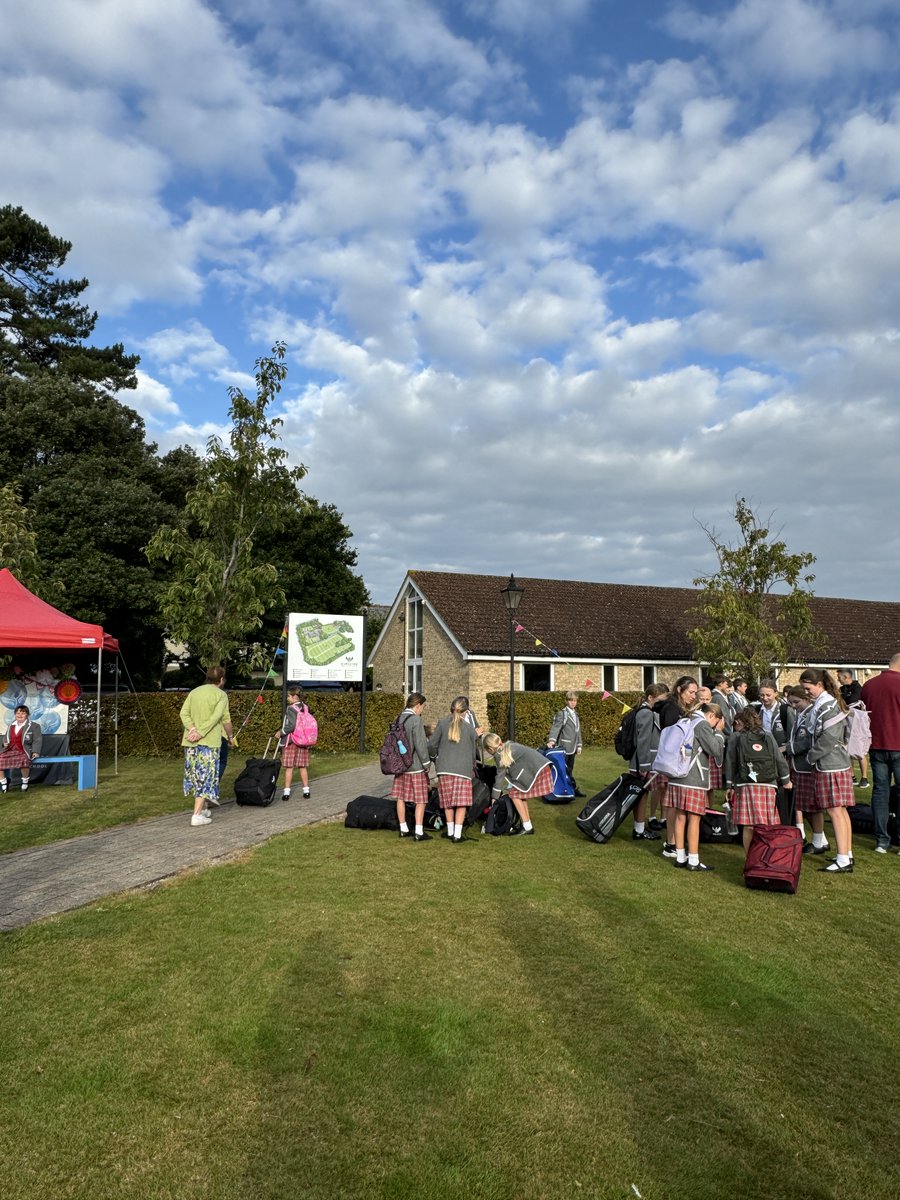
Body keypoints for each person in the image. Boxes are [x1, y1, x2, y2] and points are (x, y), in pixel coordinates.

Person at [798, 668, 855, 873]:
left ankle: (843, 859)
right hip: (833, 763)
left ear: (819, 685)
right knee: (840, 810)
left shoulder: (828, 706)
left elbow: (828, 738)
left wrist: (811, 756)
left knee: (835, 810)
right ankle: (846, 854)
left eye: (808, 688)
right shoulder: (825, 703)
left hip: (830, 765)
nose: (806, 692)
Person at [665, 702, 726, 872]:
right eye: (716, 722)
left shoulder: (686, 719)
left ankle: (680, 856)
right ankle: (693, 859)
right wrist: (719, 733)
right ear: (712, 715)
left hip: (676, 775)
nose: (715, 726)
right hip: (693, 778)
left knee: (679, 816)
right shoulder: (703, 725)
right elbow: (715, 749)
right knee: (694, 818)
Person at [724, 706, 791, 852]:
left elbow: (731, 762)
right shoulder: (767, 734)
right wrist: (786, 780)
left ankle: (751, 859)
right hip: (768, 784)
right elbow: (778, 759)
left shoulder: (736, 737)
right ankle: (767, 856)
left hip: (745, 783)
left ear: (740, 721)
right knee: (767, 824)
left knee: (748, 825)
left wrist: (729, 785)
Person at [180, 666, 234, 827]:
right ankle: (196, 815)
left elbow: (184, 713)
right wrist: (201, 732)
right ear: (222, 679)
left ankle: (202, 809)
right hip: (208, 741)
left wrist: (192, 729)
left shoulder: (194, 692)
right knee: (205, 777)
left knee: (196, 775)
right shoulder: (221, 695)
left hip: (190, 741)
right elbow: (216, 717)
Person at [653, 675, 700, 857]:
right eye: (691, 692)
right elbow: (673, 737)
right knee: (672, 804)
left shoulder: (677, 706)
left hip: (674, 760)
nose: (693, 696)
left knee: (673, 802)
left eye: (695, 692)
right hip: (673, 761)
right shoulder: (672, 708)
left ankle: (673, 842)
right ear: (680, 689)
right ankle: (671, 843)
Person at [861, 654, 900, 855]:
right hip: (898, 745)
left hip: (876, 745)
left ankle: (882, 841)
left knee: (880, 793)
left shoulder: (869, 685)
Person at [428, 696, 478, 843]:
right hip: (463, 769)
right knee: (461, 803)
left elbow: (431, 745)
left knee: (447, 801)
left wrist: (435, 758)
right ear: (466, 711)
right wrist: (472, 765)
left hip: (444, 768)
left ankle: (449, 832)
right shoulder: (470, 728)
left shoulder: (442, 723)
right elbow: (473, 751)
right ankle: (457, 834)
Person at [482, 733, 551, 836]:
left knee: (514, 795)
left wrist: (494, 798)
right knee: (519, 793)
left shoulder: (499, 755)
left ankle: (527, 827)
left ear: (490, 749)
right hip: (541, 767)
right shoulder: (507, 746)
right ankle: (527, 825)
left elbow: (499, 777)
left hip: (537, 770)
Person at [391, 692, 433, 841]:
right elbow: (421, 745)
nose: (423, 710)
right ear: (417, 705)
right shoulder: (416, 720)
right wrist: (427, 763)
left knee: (401, 797)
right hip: (415, 766)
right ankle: (419, 831)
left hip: (400, 765)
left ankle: (403, 828)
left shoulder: (398, 718)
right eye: (423, 707)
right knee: (421, 799)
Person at [630, 682, 668, 840]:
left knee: (641, 795)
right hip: (642, 762)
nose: (662, 703)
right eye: (660, 700)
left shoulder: (649, 711)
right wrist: (644, 766)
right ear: (650, 697)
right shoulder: (646, 713)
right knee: (641, 795)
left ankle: (639, 827)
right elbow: (643, 740)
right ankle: (639, 829)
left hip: (643, 761)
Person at [277, 685, 314, 802]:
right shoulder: (305, 707)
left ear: (294, 697)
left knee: (289, 767)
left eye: (288, 695)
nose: (287, 698)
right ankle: (306, 790)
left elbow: (291, 726)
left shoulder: (291, 708)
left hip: (292, 741)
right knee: (302, 766)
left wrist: (280, 732)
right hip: (303, 741)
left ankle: (286, 792)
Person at [546, 690, 584, 797]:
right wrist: (552, 740)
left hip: (573, 747)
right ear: (567, 701)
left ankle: (570, 788)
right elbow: (556, 727)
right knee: (563, 769)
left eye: (575, 701)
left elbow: (578, 731)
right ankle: (566, 788)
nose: (573, 703)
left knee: (570, 769)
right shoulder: (562, 714)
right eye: (571, 700)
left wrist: (579, 745)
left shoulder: (576, 714)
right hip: (564, 747)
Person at [0, 704, 43, 793]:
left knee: (23, 760)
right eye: (18, 713)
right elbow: (5, 738)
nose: (20, 715)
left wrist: (35, 751)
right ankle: (4, 782)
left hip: (24, 750)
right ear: (15, 714)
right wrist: (4, 744)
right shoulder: (11, 725)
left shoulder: (34, 726)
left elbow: (37, 740)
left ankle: (25, 782)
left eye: (23, 713)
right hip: (10, 750)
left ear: (27, 714)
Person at [838, 670, 869, 788]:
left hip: (857, 722)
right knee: (846, 747)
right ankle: (852, 776)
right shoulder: (842, 689)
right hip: (846, 720)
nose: (838, 679)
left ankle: (864, 777)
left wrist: (843, 700)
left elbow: (852, 701)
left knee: (859, 749)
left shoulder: (857, 688)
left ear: (845, 677)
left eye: (839, 677)